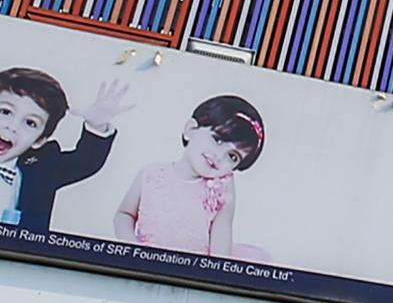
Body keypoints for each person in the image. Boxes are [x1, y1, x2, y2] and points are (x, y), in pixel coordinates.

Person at [116, 95, 266, 258]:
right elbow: (124, 215)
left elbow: (222, 237)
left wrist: (214, 269)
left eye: (232, 156)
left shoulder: (221, 191)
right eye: (217, 140)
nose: (219, 156)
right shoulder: (151, 174)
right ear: (190, 130)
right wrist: (133, 251)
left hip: (192, 268)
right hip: (148, 263)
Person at [0, 66, 128, 236]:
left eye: (30, 123)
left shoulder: (41, 167)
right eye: (5, 112)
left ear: (39, 140)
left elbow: (85, 162)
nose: (12, 126)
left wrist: (97, 126)